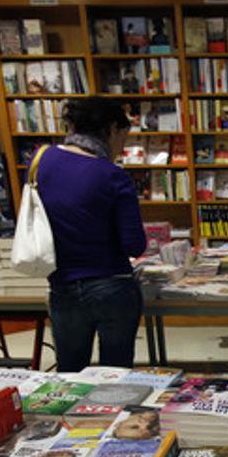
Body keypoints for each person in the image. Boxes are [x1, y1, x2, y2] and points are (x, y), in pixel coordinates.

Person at [34, 97, 147, 372]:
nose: (122, 146)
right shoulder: (111, 175)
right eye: (123, 137)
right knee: (115, 376)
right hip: (112, 285)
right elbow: (134, 244)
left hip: (63, 284)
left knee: (70, 374)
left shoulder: (42, 161)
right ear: (111, 129)